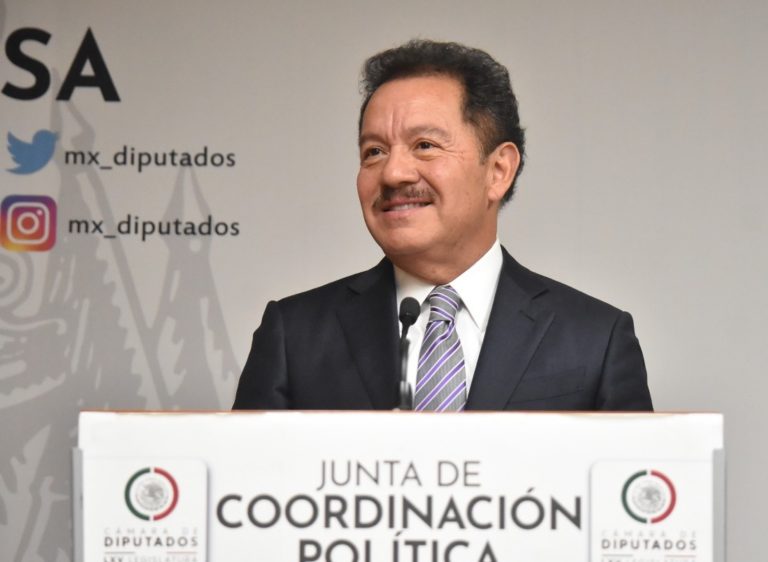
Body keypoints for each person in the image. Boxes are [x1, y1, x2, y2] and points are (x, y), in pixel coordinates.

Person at [233, 39, 652, 412]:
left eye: (425, 146)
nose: (393, 173)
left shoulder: (595, 338)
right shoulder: (294, 335)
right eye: (374, 151)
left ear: (498, 171)